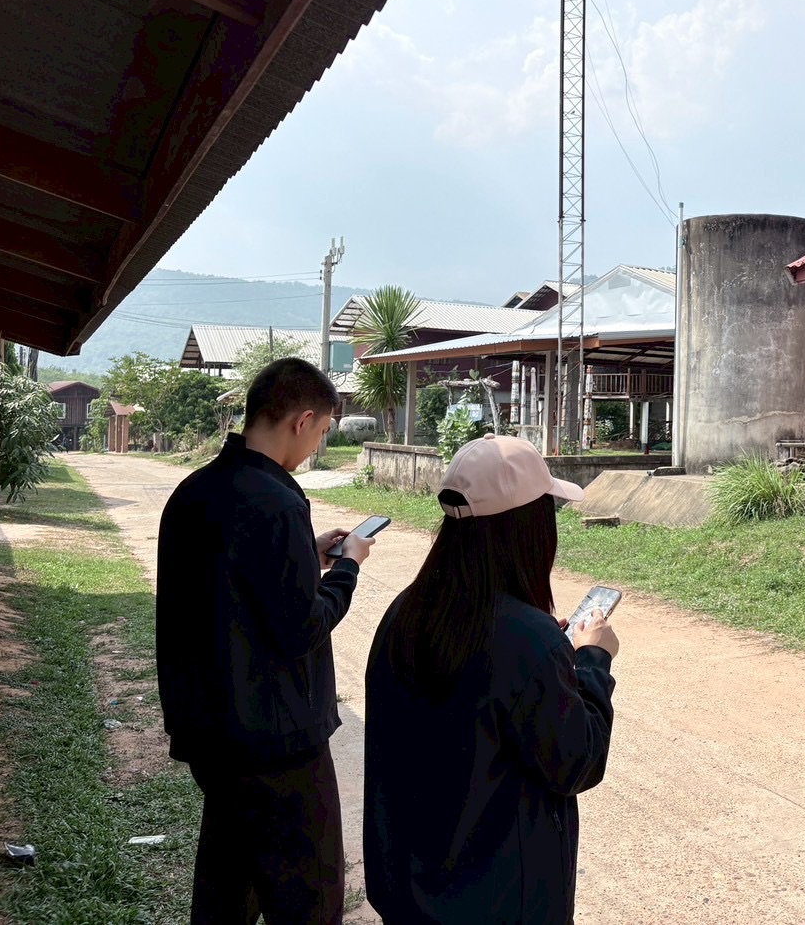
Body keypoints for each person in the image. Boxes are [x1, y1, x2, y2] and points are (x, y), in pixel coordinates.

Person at [364, 433, 619, 924]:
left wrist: (546, 654)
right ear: (528, 528)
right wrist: (592, 661)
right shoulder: (526, 640)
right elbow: (576, 762)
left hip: (410, 895)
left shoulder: (405, 612)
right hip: (499, 905)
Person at [156, 357, 377, 924]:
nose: (317, 444)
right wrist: (347, 567)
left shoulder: (195, 491)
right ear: (302, 421)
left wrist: (307, 554)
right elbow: (301, 627)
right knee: (310, 896)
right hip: (276, 743)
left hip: (209, 734)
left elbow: (233, 586)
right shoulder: (277, 500)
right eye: (322, 432)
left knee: (228, 884)